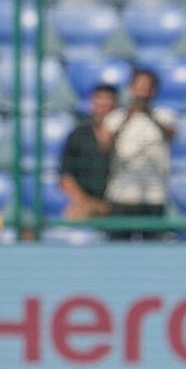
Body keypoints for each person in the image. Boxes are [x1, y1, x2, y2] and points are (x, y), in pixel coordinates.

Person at [100, 67, 176, 240]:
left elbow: (171, 135)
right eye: (139, 87)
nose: (142, 92)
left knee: (154, 245)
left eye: (147, 87)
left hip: (154, 194)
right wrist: (128, 116)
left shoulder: (164, 115)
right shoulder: (116, 117)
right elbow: (105, 146)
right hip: (122, 194)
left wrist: (150, 114)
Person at [58, 84, 117, 220]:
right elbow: (65, 176)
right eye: (100, 99)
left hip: (119, 203)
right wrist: (85, 201)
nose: (104, 104)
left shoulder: (126, 135)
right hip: (84, 203)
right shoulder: (78, 135)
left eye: (108, 99)